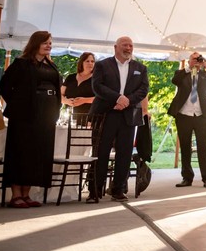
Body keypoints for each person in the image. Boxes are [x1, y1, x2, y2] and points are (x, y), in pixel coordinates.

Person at [0, 30, 62, 209]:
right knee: (21, 152)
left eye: (50, 43)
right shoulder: (22, 64)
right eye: (45, 42)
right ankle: (16, 195)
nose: (49, 45)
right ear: (36, 43)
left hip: (46, 116)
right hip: (25, 116)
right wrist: (19, 104)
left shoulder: (51, 66)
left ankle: (27, 194)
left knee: (37, 154)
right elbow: (4, 86)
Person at [91, 36, 149, 202]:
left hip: (128, 115)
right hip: (105, 114)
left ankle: (118, 189)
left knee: (124, 154)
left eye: (131, 45)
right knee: (100, 152)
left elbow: (143, 89)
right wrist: (117, 98)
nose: (128, 48)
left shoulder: (140, 68)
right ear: (116, 47)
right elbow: (97, 86)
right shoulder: (102, 65)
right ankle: (95, 190)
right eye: (125, 45)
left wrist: (127, 101)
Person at [168, 52, 206, 188]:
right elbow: (175, 80)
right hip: (184, 114)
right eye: (194, 59)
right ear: (189, 60)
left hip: (202, 115)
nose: (197, 61)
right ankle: (187, 178)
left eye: (199, 59)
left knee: (204, 147)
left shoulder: (205, 75)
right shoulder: (182, 73)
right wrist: (188, 67)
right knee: (185, 147)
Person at [62, 52, 96, 127]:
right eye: (87, 61)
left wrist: (84, 100)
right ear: (81, 62)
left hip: (89, 118)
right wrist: (66, 101)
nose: (90, 63)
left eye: (92, 61)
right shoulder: (70, 77)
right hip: (69, 117)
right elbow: (60, 94)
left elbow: (101, 98)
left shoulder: (97, 79)